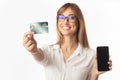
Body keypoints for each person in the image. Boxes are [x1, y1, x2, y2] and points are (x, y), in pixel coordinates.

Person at [23, 3, 112, 80]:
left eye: (71, 17)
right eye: (61, 17)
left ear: (79, 22)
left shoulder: (90, 55)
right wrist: (33, 50)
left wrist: (95, 73)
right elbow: (39, 55)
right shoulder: (49, 50)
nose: (65, 21)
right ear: (57, 23)